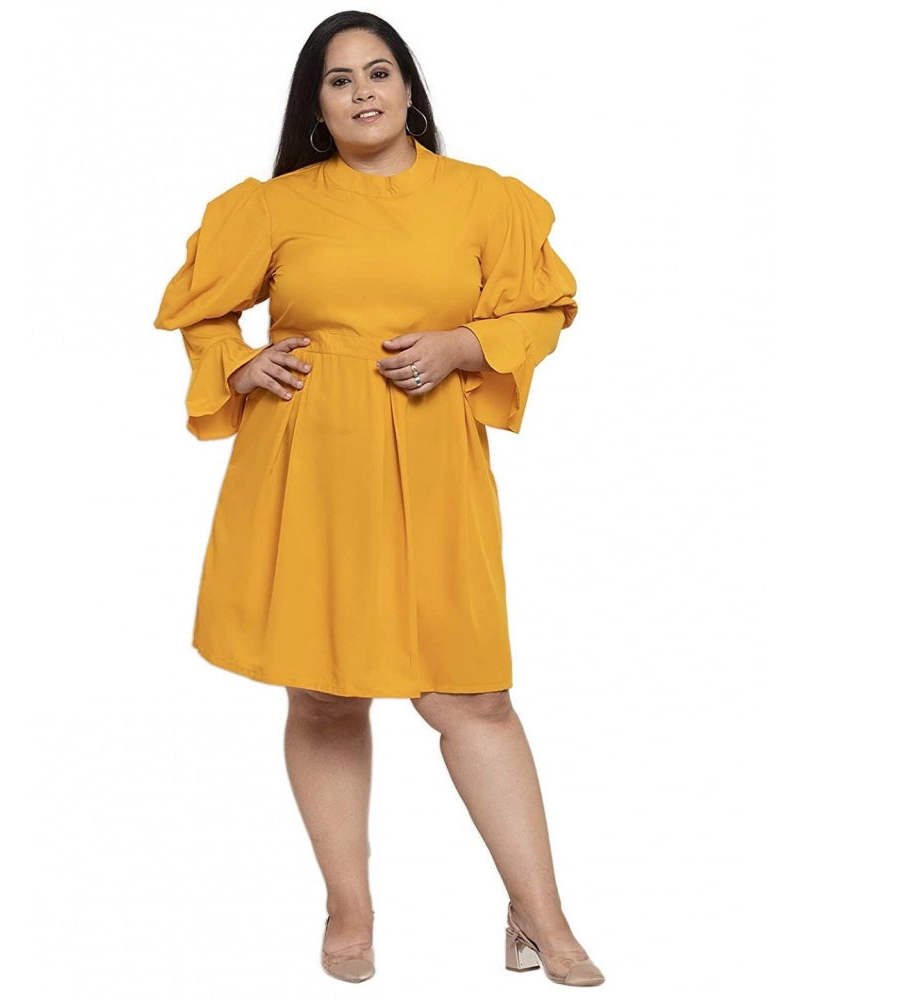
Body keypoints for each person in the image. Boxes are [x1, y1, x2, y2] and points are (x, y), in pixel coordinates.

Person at [152, 9, 605, 988]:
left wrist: (465, 345)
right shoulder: (271, 207)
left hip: (435, 465)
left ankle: (540, 913)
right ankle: (348, 905)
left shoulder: (487, 199)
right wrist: (237, 364)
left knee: (472, 695)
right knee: (324, 689)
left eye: (379, 71)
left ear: (408, 89)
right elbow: (199, 313)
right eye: (338, 78)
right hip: (309, 462)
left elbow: (544, 305)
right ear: (316, 107)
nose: (362, 90)